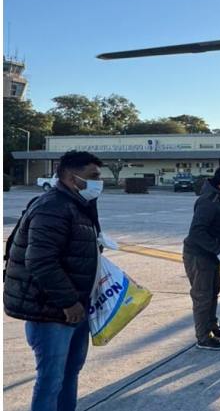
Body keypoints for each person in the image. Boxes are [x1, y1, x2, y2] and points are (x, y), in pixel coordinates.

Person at [4, 150, 104, 411]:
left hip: (76, 308)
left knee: (69, 374)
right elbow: (40, 261)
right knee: (51, 380)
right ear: (71, 177)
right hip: (52, 311)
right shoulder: (53, 207)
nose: (98, 183)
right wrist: (69, 302)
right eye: (93, 177)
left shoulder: (78, 205)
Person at [183, 165, 220, 351]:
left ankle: (212, 326)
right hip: (199, 254)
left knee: (214, 289)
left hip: (211, 254)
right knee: (203, 295)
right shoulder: (208, 201)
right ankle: (203, 337)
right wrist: (218, 250)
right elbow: (196, 232)